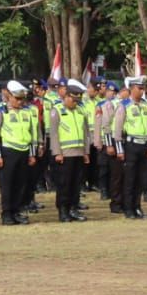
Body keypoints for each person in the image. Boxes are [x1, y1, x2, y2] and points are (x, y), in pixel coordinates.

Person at [0, 81, 38, 225]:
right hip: (8, 152)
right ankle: (7, 213)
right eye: (17, 99)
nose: (20, 102)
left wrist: (32, 153)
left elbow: (31, 134)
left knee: (21, 184)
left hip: (23, 152)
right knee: (7, 185)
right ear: (10, 97)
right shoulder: (1, 112)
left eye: (22, 99)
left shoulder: (27, 112)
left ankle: (17, 211)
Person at [112, 77, 147, 220]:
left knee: (141, 180)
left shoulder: (145, 105)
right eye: (139, 88)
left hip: (143, 145)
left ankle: (137, 207)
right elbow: (117, 130)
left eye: (143, 88)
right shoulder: (124, 105)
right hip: (130, 145)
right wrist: (120, 150)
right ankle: (128, 208)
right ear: (131, 88)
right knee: (129, 179)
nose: (142, 91)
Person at [49, 88, 90, 222]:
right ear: (66, 97)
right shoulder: (57, 110)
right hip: (65, 154)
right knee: (64, 184)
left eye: (78, 100)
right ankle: (63, 210)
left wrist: (86, 152)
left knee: (76, 184)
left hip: (78, 152)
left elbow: (85, 133)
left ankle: (73, 208)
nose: (75, 103)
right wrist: (57, 152)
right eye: (73, 99)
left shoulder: (79, 110)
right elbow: (54, 134)